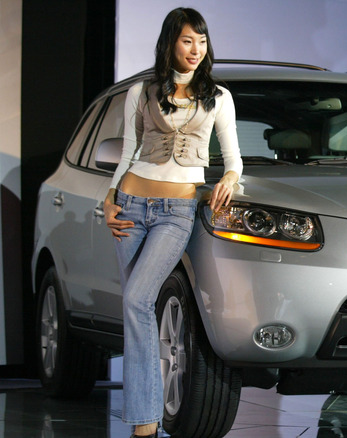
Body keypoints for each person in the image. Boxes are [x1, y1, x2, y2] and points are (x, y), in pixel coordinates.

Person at [103, 8, 242, 438]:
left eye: (201, 41)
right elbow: (127, 152)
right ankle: (144, 423)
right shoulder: (141, 92)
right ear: (170, 43)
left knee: (138, 300)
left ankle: (144, 425)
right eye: (187, 41)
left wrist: (231, 180)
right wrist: (108, 198)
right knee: (136, 308)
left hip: (176, 212)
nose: (196, 50)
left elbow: (233, 160)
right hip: (130, 205)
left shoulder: (218, 97)